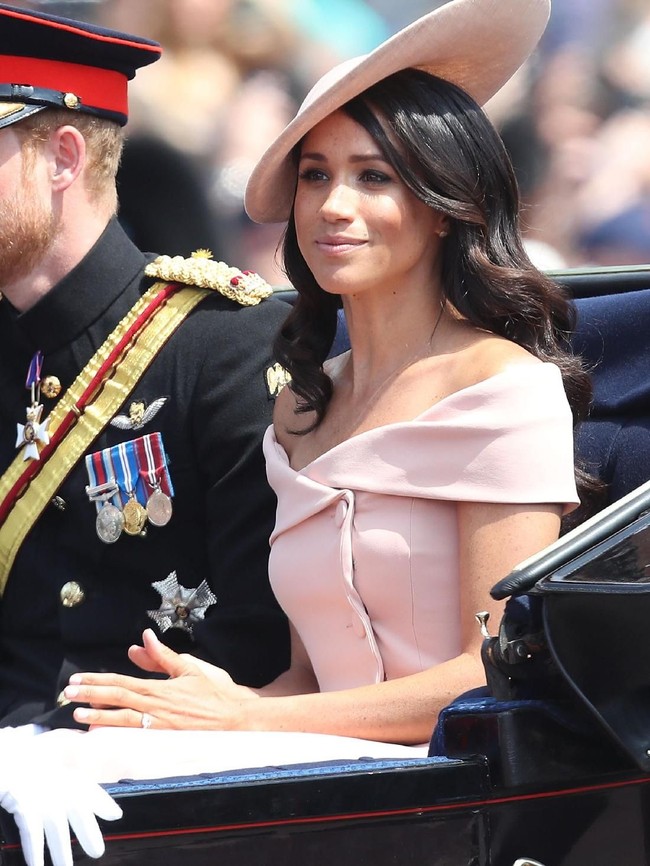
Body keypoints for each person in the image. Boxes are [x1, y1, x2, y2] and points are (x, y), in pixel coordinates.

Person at [64, 0, 590, 749]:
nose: (334, 206)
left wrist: (247, 716)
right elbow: (313, 685)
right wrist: (179, 718)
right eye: (315, 176)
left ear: (444, 206)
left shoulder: (503, 389)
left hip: (459, 799)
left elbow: (494, 670)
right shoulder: (301, 408)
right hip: (321, 783)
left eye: (373, 177)